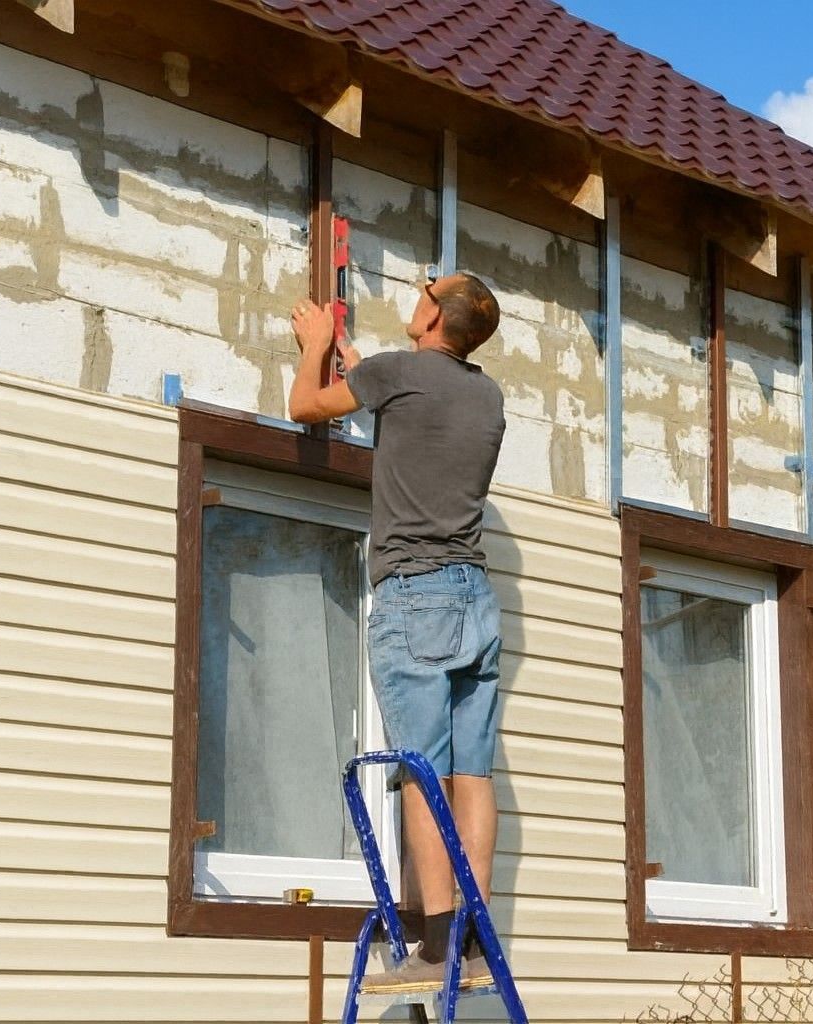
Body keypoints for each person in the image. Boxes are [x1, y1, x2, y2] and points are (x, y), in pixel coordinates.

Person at [287, 273, 506, 990]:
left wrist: (317, 347)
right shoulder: (485, 395)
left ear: (436, 314)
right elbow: (405, 402)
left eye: (427, 289)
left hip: (417, 597)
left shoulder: (398, 374)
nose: (417, 293)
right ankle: (471, 939)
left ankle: (436, 945)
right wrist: (359, 362)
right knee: (471, 774)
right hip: (476, 599)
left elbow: (305, 406)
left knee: (422, 774)